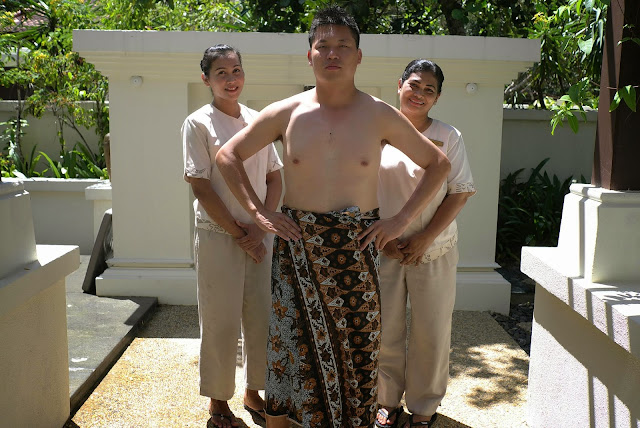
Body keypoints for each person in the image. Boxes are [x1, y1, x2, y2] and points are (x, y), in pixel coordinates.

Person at [216, 7, 451, 428]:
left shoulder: (379, 114)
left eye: (342, 45)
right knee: (289, 350)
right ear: (309, 55)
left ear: (358, 56)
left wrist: (398, 221)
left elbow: (438, 164)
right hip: (297, 245)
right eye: (322, 45)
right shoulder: (286, 112)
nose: (332, 53)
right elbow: (227, 156)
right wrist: (259, 212)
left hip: (356, 249)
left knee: (358, 349)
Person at [181, 44, 283, 428]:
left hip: (260, 236)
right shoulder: (198, 124)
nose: (230, 79)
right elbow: (200, 185)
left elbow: (275, 177)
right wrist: (241, 233)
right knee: (219, 320)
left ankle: (254, 392)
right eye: (221, 73)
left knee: (261, 318)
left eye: (236, 70)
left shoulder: (257, 120)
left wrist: (260, 227)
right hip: (218, 235)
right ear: (206, 79)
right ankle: (218, 404)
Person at [374, 59, 476, 428]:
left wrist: (424, 238)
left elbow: (460, 191)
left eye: (429, 90)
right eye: (414, 85)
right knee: (385, 328)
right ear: (400, 84)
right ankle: (386, 401)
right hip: (384, 249)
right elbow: (359, 188)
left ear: (437, 98)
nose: (419, 94)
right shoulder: (377, 132)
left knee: (431, 331)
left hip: (435, 249)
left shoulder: (449, 136)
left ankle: (424, 407)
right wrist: (383, 237)